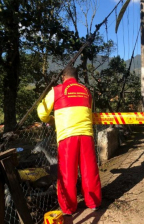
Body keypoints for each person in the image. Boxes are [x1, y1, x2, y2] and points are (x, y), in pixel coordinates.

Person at [37, 66, 101, 215]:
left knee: (67, 173)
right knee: (89, 170)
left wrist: (51, 119)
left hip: (67, 137)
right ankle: (94, 203)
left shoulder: (57, 90)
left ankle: (69, 208)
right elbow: (88, 110)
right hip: (86, 135)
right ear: (76, 78)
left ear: (63, 77)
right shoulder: (86, 91)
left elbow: (41, 113)